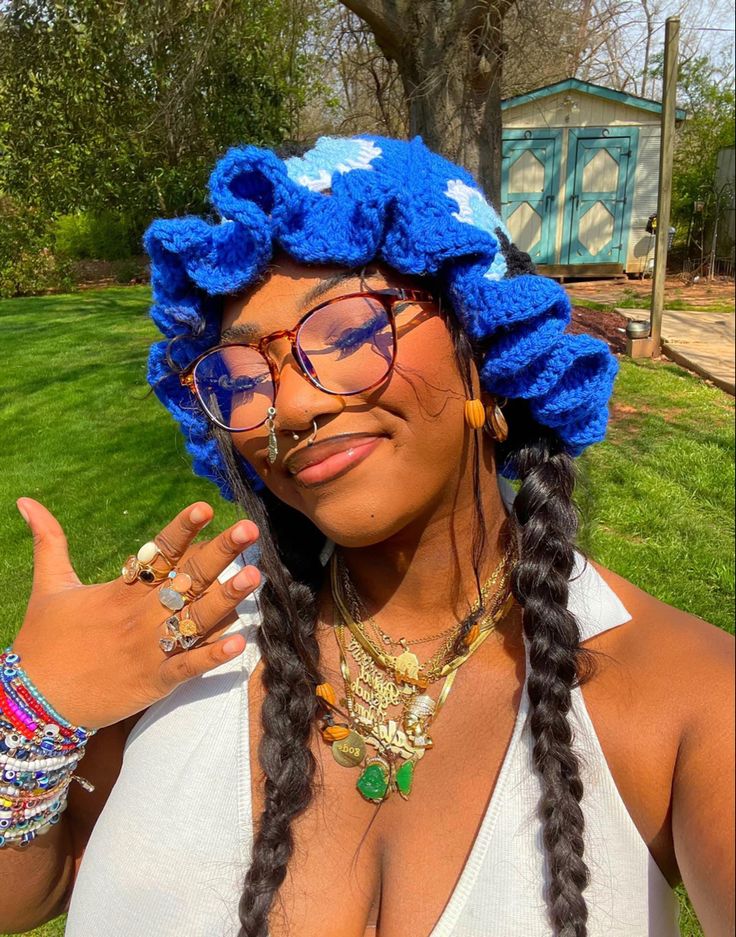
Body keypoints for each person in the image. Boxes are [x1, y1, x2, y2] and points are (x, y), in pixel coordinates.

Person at [1, 135, 733, 937]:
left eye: (349, 334)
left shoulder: (691, 701)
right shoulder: (193, 630)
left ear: (484, 347)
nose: (294, 407)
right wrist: (35, 712)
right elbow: (26, 896)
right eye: (244, 376)